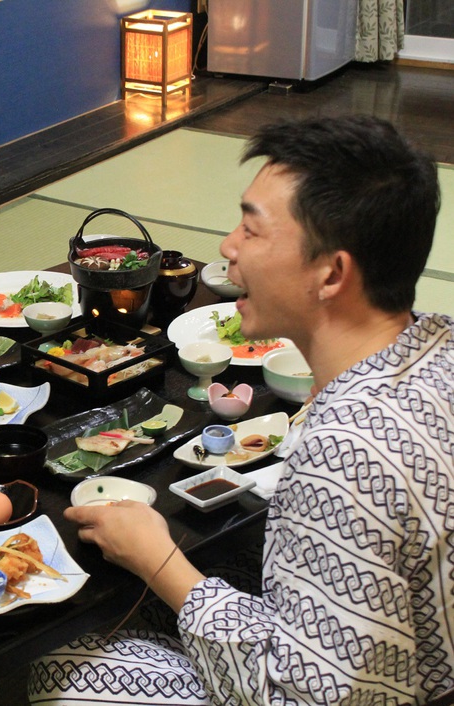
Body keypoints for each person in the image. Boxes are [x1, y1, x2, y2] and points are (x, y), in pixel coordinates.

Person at [30, 116, 454, 704]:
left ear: (332, 272)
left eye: (253, 232)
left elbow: (303, 698)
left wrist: (160, 559)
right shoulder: (438, 343)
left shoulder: (350, 450)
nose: (227, 246)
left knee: (65, 671)